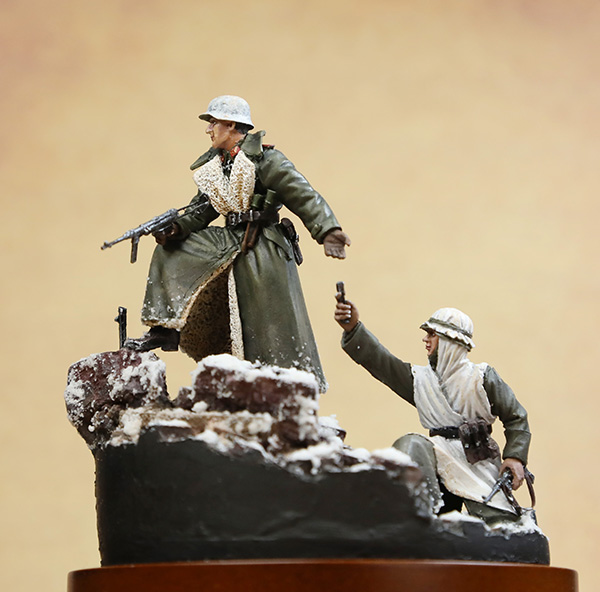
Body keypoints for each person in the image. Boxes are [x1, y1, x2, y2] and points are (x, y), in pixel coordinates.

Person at [126, 96, 350, 392]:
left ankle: (281, 386)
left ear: (231, 125)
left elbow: (302, 194)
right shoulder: (216, 166)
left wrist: (328, 231)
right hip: (229, 237)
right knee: (171, 251)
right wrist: (176, 228)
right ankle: (165, 328)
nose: (209, 130)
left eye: (214, 123)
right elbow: (201, 210)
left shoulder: (266, 160)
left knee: (270, 327)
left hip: (263, 244)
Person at [334, 296, 531, 523]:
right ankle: (416, 519)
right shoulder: (420, 380)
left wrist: (515, 457)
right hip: (436, 454)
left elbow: (516, 417)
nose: (425, 339)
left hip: (476, 458)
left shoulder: (482, 378)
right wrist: (353, 329)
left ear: (449, 340)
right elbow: (381, 362)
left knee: (500, 522)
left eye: (432, 334)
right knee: (411, 445)